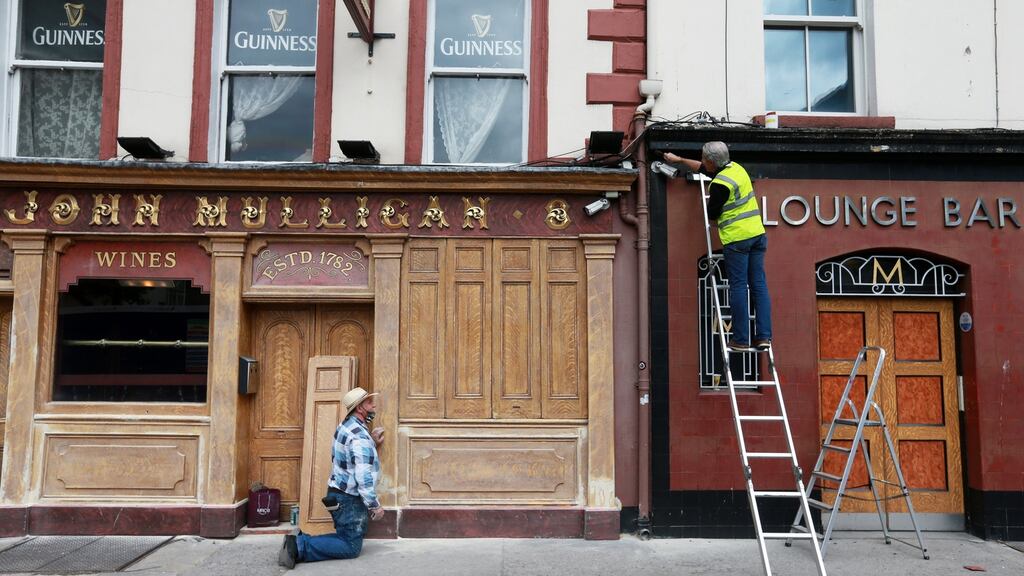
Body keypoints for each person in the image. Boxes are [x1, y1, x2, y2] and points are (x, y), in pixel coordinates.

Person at [664, 141, 773, 352]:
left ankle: (741, 339)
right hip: (757, 235)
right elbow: (704, 169)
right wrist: (679, 161)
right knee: (759, 285)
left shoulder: (720, 185)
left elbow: (713, 214)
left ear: (712, 161)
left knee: (739, 286)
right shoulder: (736, 169)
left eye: (706, 159)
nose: (704, 162)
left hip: (737, 239)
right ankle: (763, 337)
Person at [278, 386, 385, 568]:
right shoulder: (360, 437)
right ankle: (298, 546)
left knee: (345, 538)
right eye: (369, 402)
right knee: (350, 547)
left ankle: (300, 541)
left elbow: (350, 454)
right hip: (349, 500)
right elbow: (363, 476)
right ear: (359, 408)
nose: (373, 406)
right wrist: (374, 505)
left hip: (338, 494)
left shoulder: (346, 426)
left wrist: (371, 442)